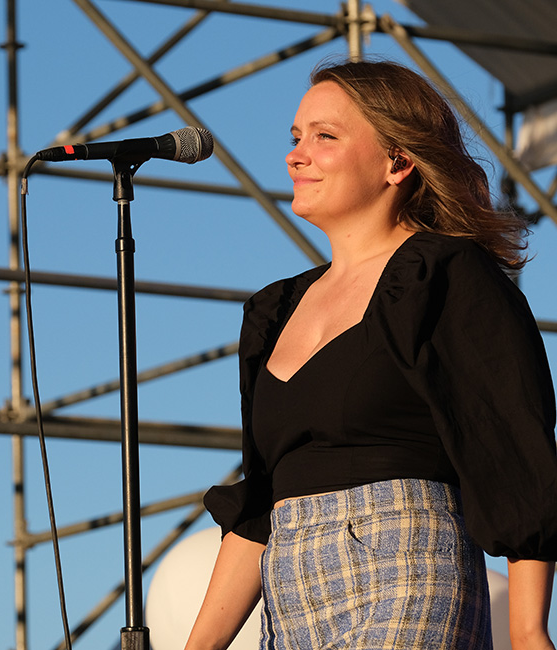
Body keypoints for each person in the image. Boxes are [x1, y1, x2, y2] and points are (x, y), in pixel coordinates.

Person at [185, 60, 557, 650]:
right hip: (291, 592)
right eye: (295, 138)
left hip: (409, 565)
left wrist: (529, 630)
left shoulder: (446, 274)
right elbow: (259, 505)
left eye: (324, 136)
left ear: (398, 161)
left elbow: (514, 447)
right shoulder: (272, 311)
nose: (296, 155)